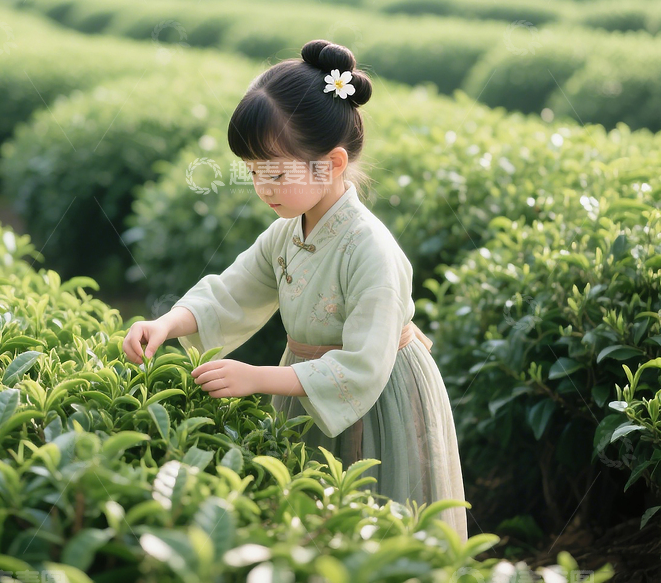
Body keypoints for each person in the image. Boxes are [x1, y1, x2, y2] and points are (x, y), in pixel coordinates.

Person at [123, 39, 469, 541]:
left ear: (329, 164)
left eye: (275, 172)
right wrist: (167, 323)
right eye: (252, 172)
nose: (262, 187)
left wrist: (259, 377)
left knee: (380, 523)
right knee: (316, 528)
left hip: (379, 396)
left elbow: (364, 365)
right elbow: (233, 291)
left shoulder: (370, 248)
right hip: (306, 387)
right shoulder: (289, 230)